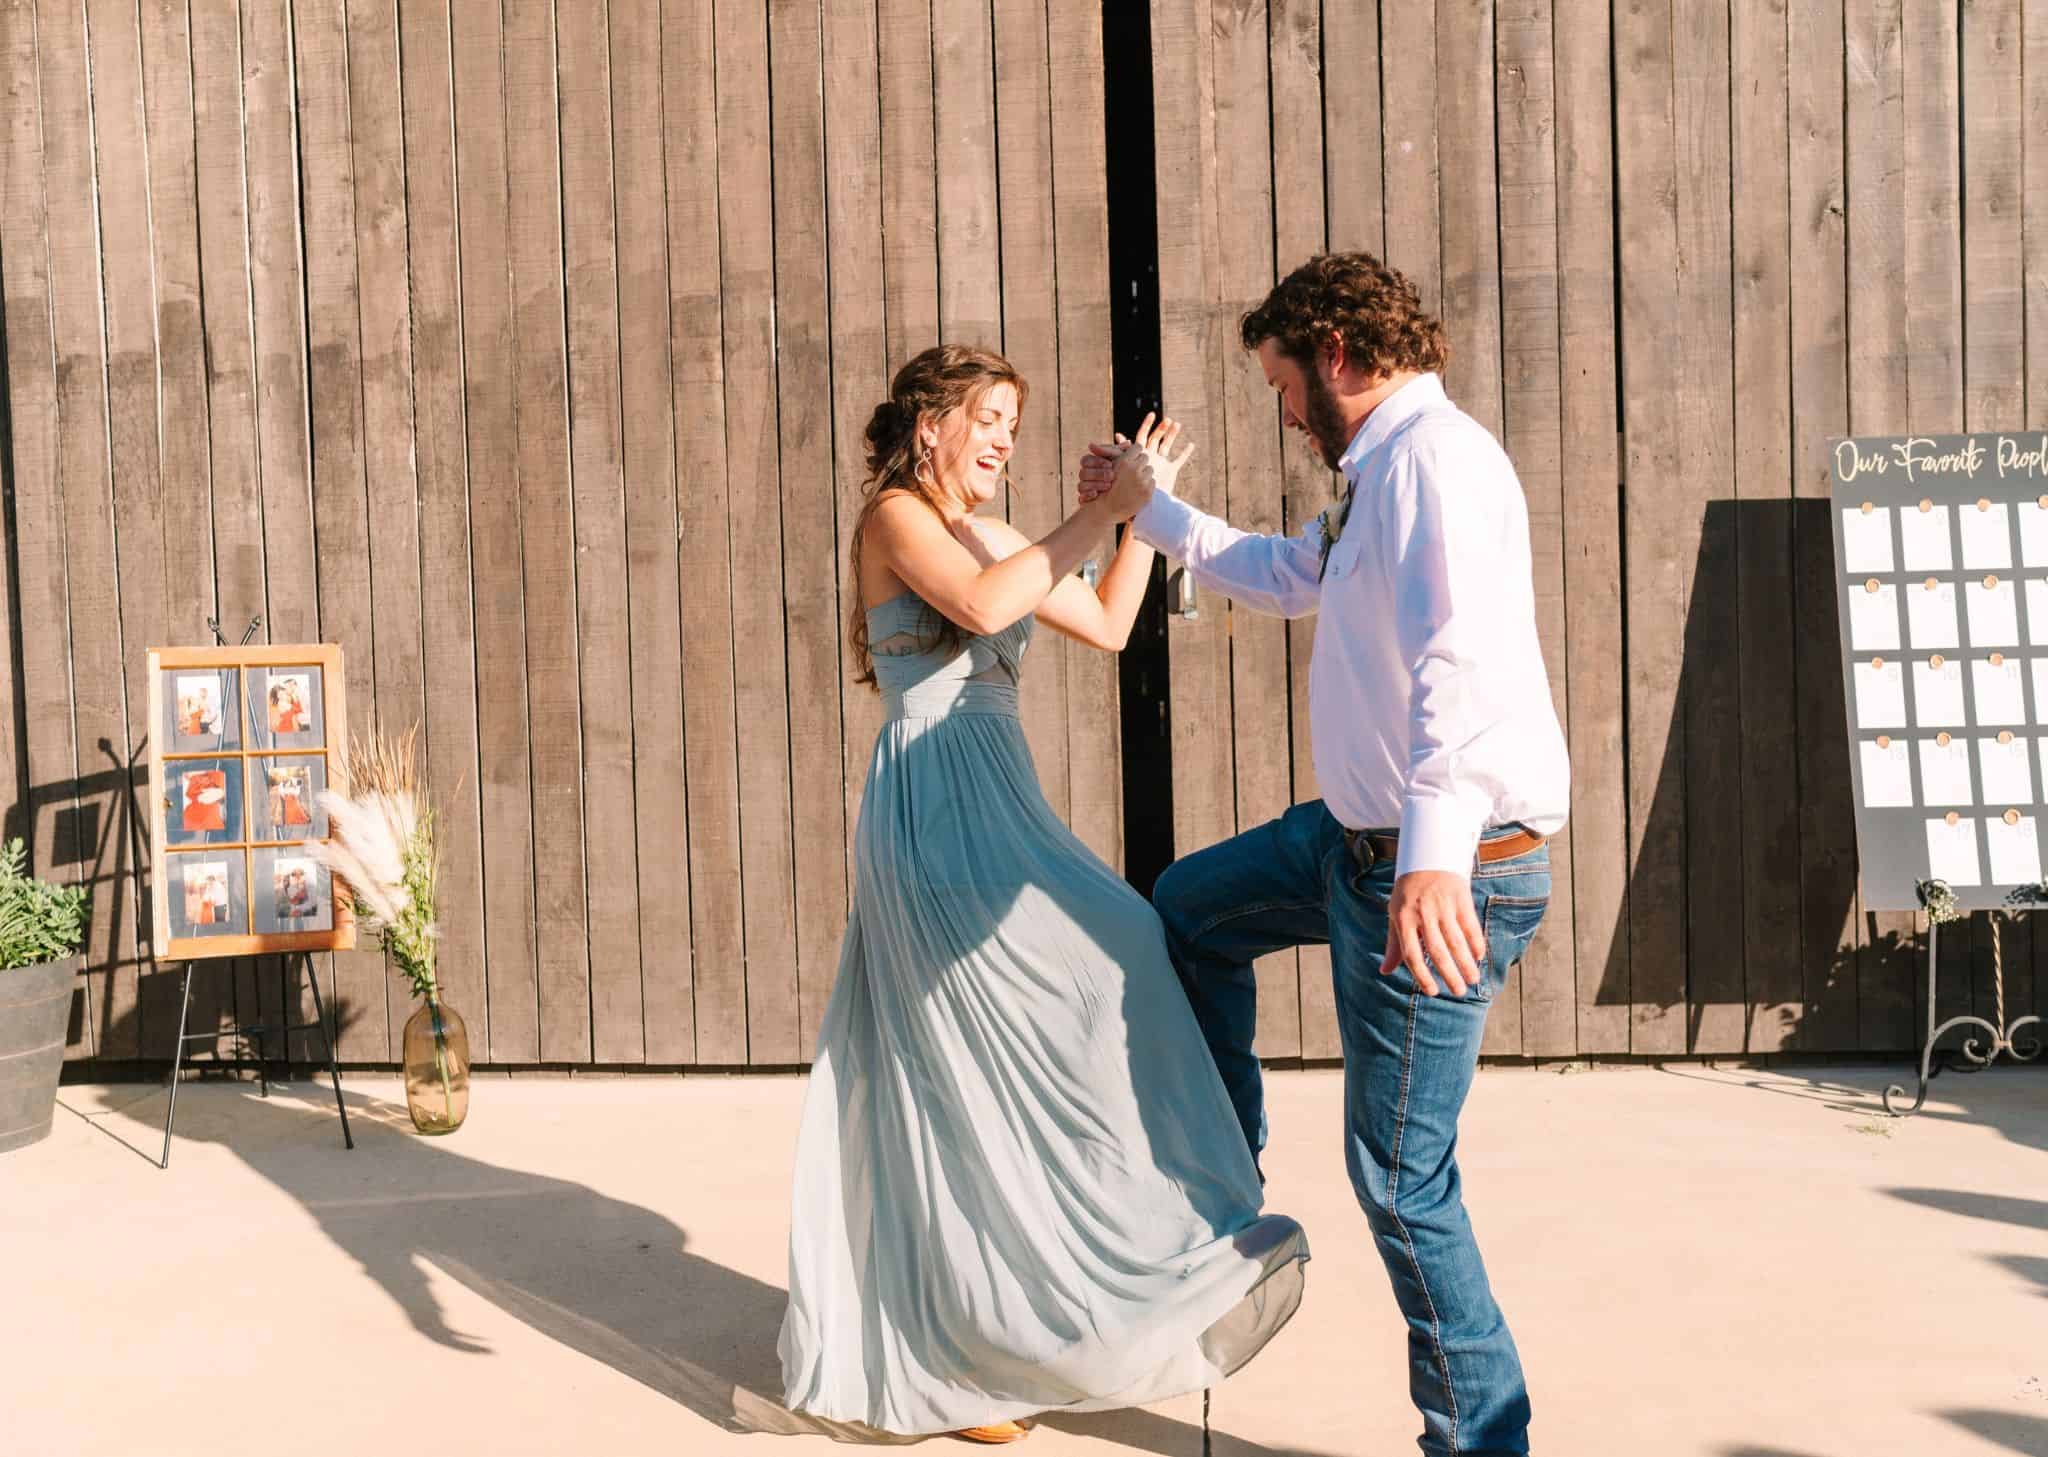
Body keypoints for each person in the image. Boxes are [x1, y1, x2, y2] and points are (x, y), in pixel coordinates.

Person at [1079, 253, 1570, 1457]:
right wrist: (1154, 515)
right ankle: (1226, 1171)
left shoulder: (1438, 468)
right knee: (1189, 907)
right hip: (1348, 845)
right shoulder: (1376, 470)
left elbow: (1465, 664)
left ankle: (1480, 1442)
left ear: (1336, 356)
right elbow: (1294, 574)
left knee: (1403, 1179)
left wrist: (1433, 859)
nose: (1282, 410)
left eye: (1282, 384)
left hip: (1432, 863)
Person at [779, 344, 1308, 1445]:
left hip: (1003, 803)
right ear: (931, 424)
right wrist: (1095, 513)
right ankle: (963, 1349)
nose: (1004, 441)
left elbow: (1111, 625)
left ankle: (1167, 1233)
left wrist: (1129, 516)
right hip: (931, 811)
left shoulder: (996, 530)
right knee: (965, 1071)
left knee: (1126, 945)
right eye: (990, 417)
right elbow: (979, 602)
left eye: (1014, 424)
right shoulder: (895, 519)